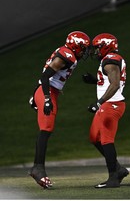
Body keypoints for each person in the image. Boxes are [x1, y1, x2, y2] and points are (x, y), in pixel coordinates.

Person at [28, 31, 91, 189]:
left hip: (49, 91)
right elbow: (45, 76)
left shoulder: (69, 54)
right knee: (46, 128)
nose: (84, 51)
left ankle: (38, 167)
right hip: (47, 90)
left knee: (47, 129)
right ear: (75, 46)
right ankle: (38, 168)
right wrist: (46, 98)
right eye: (83, 48)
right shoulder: (66, 55)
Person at [82, 33, 128, 188]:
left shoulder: (110, 60)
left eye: (97, 48)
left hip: (111, 104)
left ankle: (113, 177)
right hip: (109, 104)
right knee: (94, 138)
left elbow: (114, 84)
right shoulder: (109, 60)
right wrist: (94, 81)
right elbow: (109, 81)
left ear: (105, 46)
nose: (95, 51)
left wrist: (99, 102)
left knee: (106, 140)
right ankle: (118, 169)